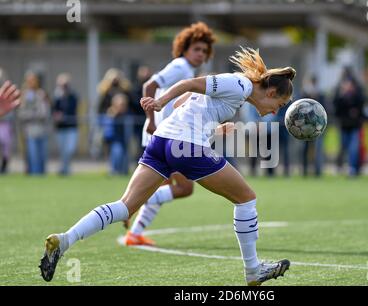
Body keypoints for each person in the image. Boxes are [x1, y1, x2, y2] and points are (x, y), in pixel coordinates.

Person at [40, 47, 294, 286]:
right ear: (271, 93)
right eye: (279, 105)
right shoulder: (241, 85)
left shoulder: (239, 93)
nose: (275, 112)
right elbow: (190, 84)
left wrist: (214, 129)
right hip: (185, 146)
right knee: (246, 198)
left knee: (126, 207)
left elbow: (187, 103)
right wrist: (161, 103)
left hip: (162, 141)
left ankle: (64, 240)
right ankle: (253, 270)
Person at [125, 22, 216, 246]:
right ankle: (129, 205)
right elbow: (149, 85)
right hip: (165, 136)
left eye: (204, 51)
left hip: (167, 137)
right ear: (184, 48)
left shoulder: (187, 70)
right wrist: (150, 120)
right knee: (184, 188)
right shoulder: (181, 66)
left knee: (167, 186)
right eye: (196, 49)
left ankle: (134, 232)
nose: (200, 54)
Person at [17, 72, 51, 175]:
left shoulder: (41, 93)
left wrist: (40, 113)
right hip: (30, 130)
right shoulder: (25, 95)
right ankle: (34, 176)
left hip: (42, 130)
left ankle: (42, 178)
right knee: (33, 156)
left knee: (42, 157)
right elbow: (22, 113)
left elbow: (46, 111)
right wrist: (34, 114)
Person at [53, 73, 79, 176]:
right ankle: (64, 168)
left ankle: (65, 167)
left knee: (70, 149)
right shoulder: (57, 96)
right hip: (61, 127)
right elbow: (54, 109)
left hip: (71, 126)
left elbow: (72, 108)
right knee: (63, 150)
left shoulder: (73, 96)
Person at [301, 75, 327, 177]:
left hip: (317, 127)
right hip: (304, 127)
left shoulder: (320, 95)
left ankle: (317, 171)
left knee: (318, 149)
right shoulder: (303, 95)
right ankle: (305, 171)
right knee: (304, 149)